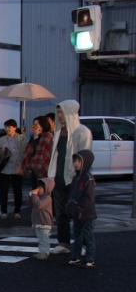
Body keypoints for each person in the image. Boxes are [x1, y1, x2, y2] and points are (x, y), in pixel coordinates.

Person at [48, 100, 92, 254]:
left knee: (79, 213)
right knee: (61, 213)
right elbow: (55, 156)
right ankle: (64, 243)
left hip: (75, 179)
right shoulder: (59, 132)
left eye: (62, 112)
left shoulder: (82, 132)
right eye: (58, 112)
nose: (59, 116)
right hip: (59, 179)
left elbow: (85, 157)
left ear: (71, 113)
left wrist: (79, 178)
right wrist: (51, 176)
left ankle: (83, 244)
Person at [66, 150, 97, 268]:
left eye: (79, 161)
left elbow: (89, 198)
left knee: (88, 236)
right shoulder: (76, 177)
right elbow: (72, 194)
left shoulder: (88, 178)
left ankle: (90, 258)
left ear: (86, 162)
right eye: (75, 161)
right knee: (77, 235)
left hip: (86, 213)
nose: (76, 163)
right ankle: (76, 257)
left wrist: (80, 208)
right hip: (77, 212)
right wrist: (70, 206)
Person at [0, 119, 27, 219]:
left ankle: (17, 211)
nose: (7, 129)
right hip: (4, 168)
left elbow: (24, 153)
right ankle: (3, 211)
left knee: (17, 190)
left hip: (17, 168)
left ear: (14, 127)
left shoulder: (21, 138)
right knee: (3, 191)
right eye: (6, 127)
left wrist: (22, 166)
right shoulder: (2, 139)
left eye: (9, 127)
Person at [22, 116, 54, 189]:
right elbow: (27, 152)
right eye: (33, 124)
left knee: (42, 195)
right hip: (34, 171)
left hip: (43, 171)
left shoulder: (47, 136)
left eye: (36, 124)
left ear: (43, 126)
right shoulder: (34, 137)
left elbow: (42, 155)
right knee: (35, 193)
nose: (34, 126)